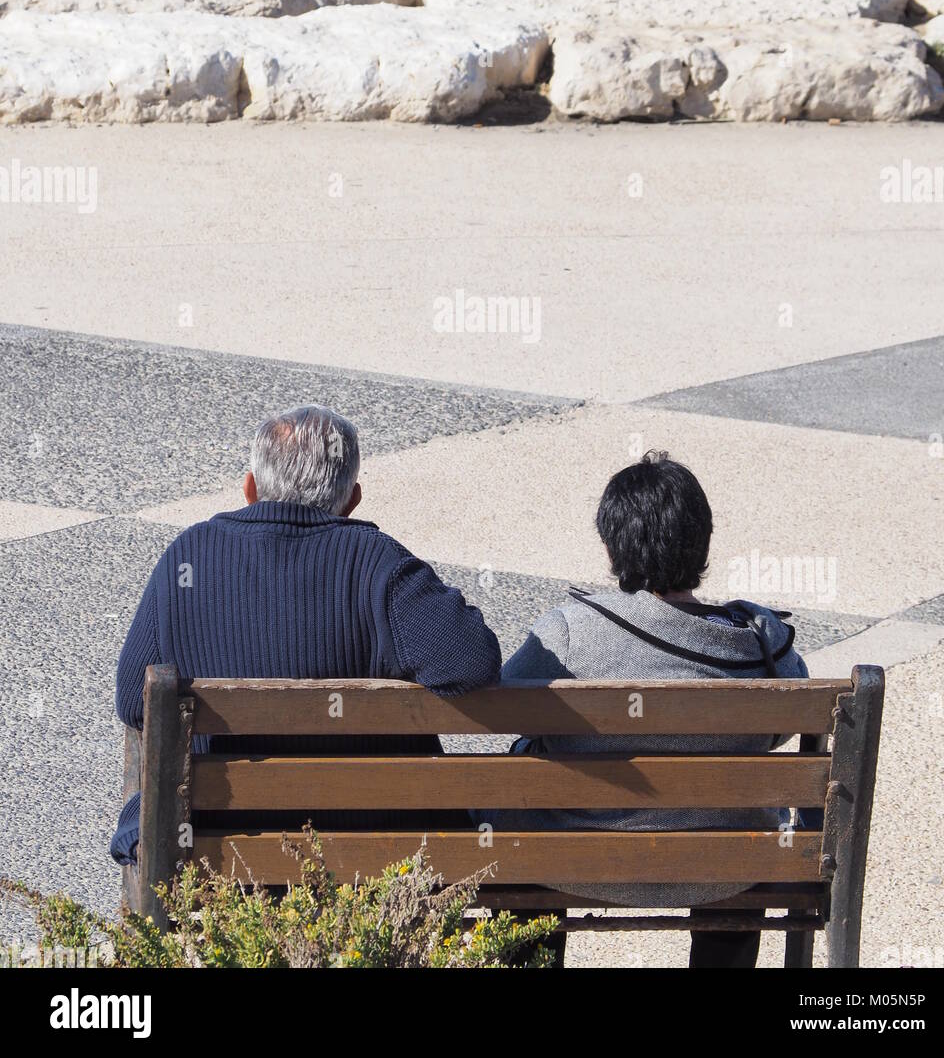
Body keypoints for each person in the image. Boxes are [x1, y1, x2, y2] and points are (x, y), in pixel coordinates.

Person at [111, 404, 501, 864]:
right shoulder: (378, 564)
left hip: (219, 842)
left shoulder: (188, 555)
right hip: (375, 849)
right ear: (352, 499)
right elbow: (473, 661)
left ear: (250, 489)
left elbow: (135, 702)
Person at [487, 450, 808, 969]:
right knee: (741, 834)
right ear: (702, 541)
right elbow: (787, 725)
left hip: (571, 857)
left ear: (613, 547)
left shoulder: (570, 632)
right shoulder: (759, 643)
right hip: (728, 864)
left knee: (524, 789)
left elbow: (505, 708)